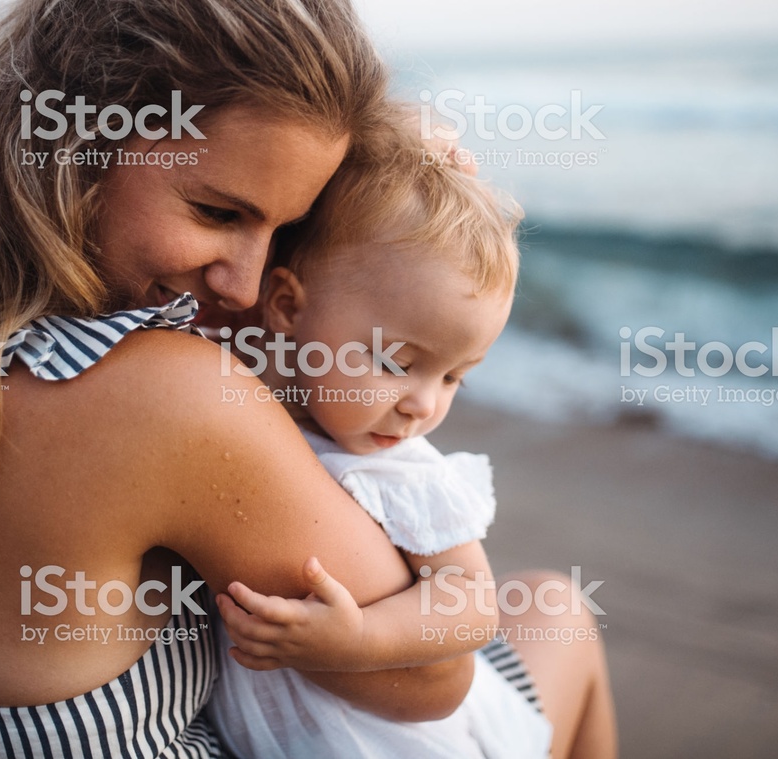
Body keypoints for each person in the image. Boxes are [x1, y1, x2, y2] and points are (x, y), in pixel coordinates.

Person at [0, 0, 615, 756]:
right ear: (82, 144)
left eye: (284, 230)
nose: (250, 288)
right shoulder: (163, 397)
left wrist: (368, 200)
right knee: (561, 614)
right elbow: (434, 684)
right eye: (220, 213)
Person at [205, 124, 555, 758]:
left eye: (454, 377)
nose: (424, 404)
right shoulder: (247, 395)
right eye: (396, 360)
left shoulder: (405, 474)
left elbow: (472, 603)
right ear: (285, 306)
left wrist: (360, 638)